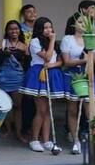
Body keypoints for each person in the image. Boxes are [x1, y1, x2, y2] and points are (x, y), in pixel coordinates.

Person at [20, 17, 66, 152]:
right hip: (39, 74)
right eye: (45, 27)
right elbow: (46, 57)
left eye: (50, 27)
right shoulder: (34, 41)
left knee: (48, 110)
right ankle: (34, 139)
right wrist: (52, 41)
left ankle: (46, 140)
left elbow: (60, 60)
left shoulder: (52, 43)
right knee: (41, 110)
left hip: (51, 73)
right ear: (40, 29)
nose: (49, 30)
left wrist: (53, 64)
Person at [60, 19, 95, 154]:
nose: (83, 24)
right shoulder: (67, 39)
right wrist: (82, 60)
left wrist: (91, 56)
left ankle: (94, 142)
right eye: (79, 21)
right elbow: (66, 62)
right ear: (74, 24)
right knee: (72, 110)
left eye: (85, 22)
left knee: (90, 111)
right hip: (72, 76)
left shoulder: (92, 39)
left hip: (88, 75)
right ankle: (75, 140)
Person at [0, 20, 28, 143]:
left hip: (17, 78)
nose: (14, 31)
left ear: (19, 31)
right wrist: (3, 52)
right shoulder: (2, 43)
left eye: (16, 29)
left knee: (18, 106)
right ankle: (8, 129)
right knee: (7, 106)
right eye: (11, 29)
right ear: (7, 31)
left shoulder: (24, 46)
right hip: (3, 78)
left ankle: (18, 132)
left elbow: (26, 63)